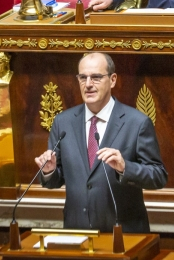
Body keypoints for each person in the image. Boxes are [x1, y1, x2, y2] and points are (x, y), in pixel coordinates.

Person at [35, 52, 167, 232]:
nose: (88, 84)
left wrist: (125, 167)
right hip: (77, 233)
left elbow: (158, 176)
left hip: (123, 234)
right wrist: (49, 172)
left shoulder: (136, 123)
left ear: (112, 80)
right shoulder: (63, 122)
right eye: (83, 77)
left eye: (96, 77)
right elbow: (54, 181)